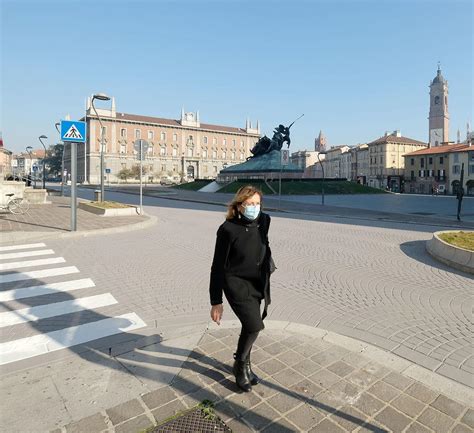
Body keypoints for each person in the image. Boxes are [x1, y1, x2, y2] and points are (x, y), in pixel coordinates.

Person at [209, 185, 273, 392]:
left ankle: (244, 364)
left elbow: (262, 244)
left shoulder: (264, 220)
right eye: (249, 204)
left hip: (257, 282)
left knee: (250, 325)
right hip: (236, 283)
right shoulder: (227, 229)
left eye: (257, 203)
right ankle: (240, 363)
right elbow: (217, 267)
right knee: (254, 325)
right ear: (239, 206)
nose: (254, 208)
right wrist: (216, 301)